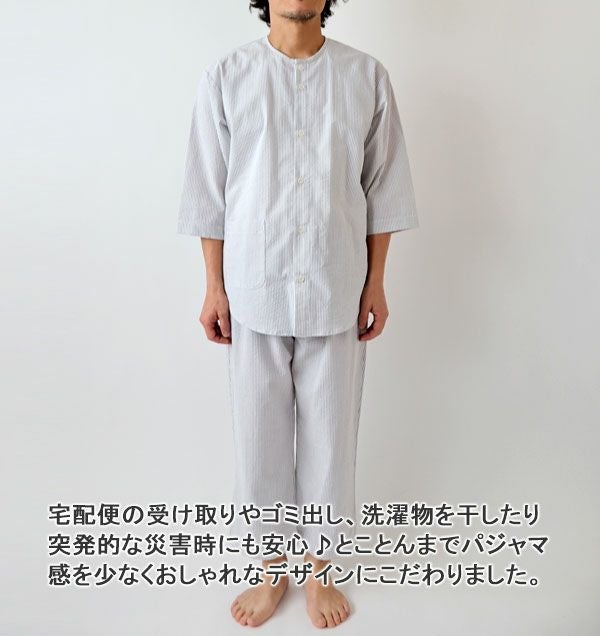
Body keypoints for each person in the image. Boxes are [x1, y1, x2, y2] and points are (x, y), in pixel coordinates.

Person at [177, 0, 419, 628]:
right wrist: (213, 287)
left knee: (330, 439)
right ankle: (269, 566)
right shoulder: (226, 76)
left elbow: (383, 187)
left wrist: (376, 282)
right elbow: (209, 191)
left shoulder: (366, 76)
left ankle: (320, 569)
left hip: (337, 284)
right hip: (252, 289)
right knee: (257, 438)